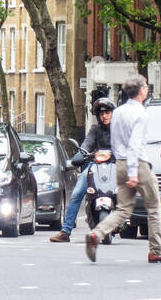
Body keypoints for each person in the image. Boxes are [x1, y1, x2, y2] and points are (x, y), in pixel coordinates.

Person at [84, 74, 161, 263]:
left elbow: (115, 141)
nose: (147, 89)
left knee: (123, 210)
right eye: (146, 87)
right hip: (136, 164)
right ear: (141, 91)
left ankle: (96, 234)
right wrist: (133, 172)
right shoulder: (141, 113)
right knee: (154, 208)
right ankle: (155, 250)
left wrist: (122, 165)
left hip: (120, 163)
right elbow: (135, 144)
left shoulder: (120, 112)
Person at [49, 97, 115, 243]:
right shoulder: (95, 129)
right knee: (77, 192)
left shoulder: (119, 129)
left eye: (107, 112)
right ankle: (66, 230)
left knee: (127, 188)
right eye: (101, 113)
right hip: (95, 166)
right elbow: (87, 143)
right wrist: (82, 153)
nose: (104, 116)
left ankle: (125, 219)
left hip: (115, 166)